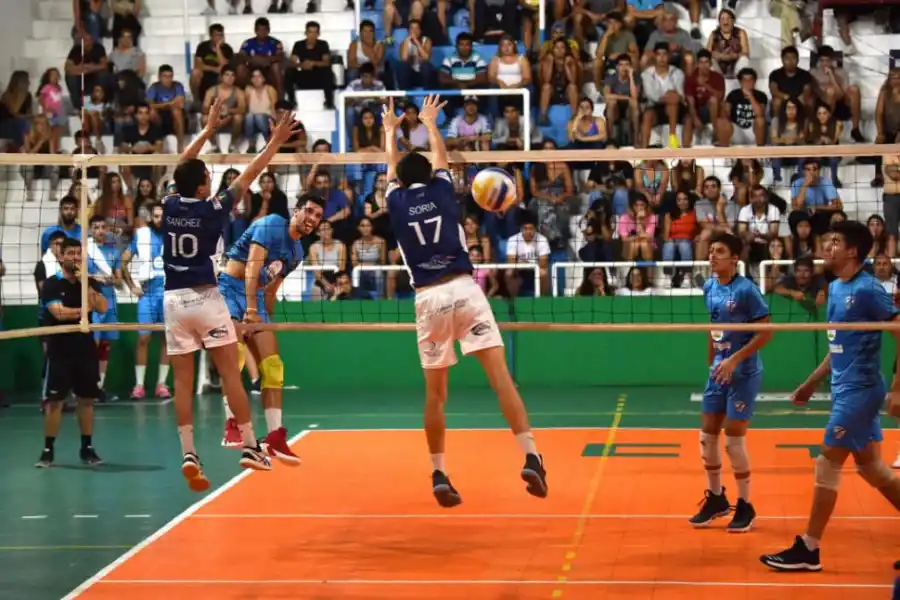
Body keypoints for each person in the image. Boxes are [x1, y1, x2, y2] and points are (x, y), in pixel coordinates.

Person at [380, 94, 548, 508]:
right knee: (500, 379)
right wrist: (431, 123)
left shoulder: (394, 202)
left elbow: (392, 167)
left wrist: (389, 131)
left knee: (435, 396)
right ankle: (530, 454)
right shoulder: (443, 191)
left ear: (400, 182)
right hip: (464, 290)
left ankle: (438, 470)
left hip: (428, 299)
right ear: (430, 175)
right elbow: (441, 159)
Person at [162, 99, 304, 491]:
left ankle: (189, 452)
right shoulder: (212, 209)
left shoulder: (170, 204)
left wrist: (206, 133)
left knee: (183, 382)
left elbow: (181, 169)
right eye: (207, 176)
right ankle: (249, 444)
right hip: (208, 298)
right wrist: (275, 142)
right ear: (204, 186)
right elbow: (251, 173)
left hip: (173, 301)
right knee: (231, 374)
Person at [761, 220, 900, 571]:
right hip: (844, 389)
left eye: (834, 241)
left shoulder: (868, 288)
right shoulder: (836, 287)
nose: (826, 246)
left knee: (827, 462)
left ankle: (809, 548)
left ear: (852, 251)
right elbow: (838, 345)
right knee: (874, 471)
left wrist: (898, 387)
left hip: (862, 390)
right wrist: (811, 383)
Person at [217, 183, 325, 463]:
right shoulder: (271, 224)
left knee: (273, 366)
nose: (313, 219)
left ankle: (275, 437)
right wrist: (251, 309)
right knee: (235, 355)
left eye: (318, 216)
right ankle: (233, 426)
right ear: (297, 211)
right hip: (231, 289)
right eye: (309, 211)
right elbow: (253, 266)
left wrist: (265, 318)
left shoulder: (298, 252)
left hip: (257, 300)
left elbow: (272, 289)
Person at [690, 231, 772, 532]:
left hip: (744, 372)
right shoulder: (709, 286)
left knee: (733, 440)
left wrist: (734, 360)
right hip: (718, 371)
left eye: (720, 251)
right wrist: (711, 362)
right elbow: (713, 327)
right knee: (706, 437)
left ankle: (746, 505)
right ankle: (715, 498)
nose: (712, 255)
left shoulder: (747, 290)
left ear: (735, 257)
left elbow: (766, 332)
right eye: (711, 250)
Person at [36, 238, 108, 468]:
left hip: (85, 350)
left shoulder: (89, 282)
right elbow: (59, 313)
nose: (76, 257)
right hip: (60, 351)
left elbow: (103, 307)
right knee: (55, 401)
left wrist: (85, 283)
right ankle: (48, 450)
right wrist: (83, 310)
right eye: (71, 253)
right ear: (62, 256)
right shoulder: (51, 284)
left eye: (79, 253)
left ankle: (87, 448)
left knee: (86, 400)